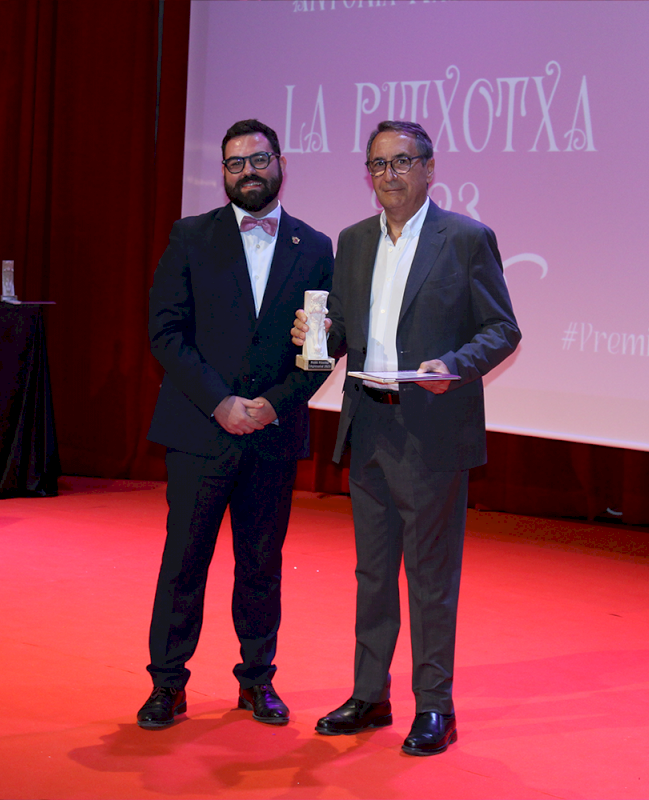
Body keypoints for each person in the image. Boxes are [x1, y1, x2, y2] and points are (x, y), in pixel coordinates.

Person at [291, 121, 521, 756]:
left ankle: (435, 706)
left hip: (431, 430)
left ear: (429, 168)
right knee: (372, 573)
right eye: (377, 164)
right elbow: (342, 334)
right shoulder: (354, 240)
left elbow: (502, 329)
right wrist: (314, 337)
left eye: (401, 162)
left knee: (429, 576)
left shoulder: (466, 239)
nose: (388, 175)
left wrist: (455, 365)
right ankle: (370, 695)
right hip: (368, 424)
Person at [138, 119, 334, 729]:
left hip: (273, 433)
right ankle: (167, 684)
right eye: (234, 163)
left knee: (261, 565)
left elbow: (324, 348)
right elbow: (165, 331)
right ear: (223, 172)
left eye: (258, 159)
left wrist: (275, 403)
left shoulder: (315, 247)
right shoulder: (190, 236)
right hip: (200, 429)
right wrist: (219, 402)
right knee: (184, 562)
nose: (248, 171)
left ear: (281, 164)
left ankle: (257, 681)